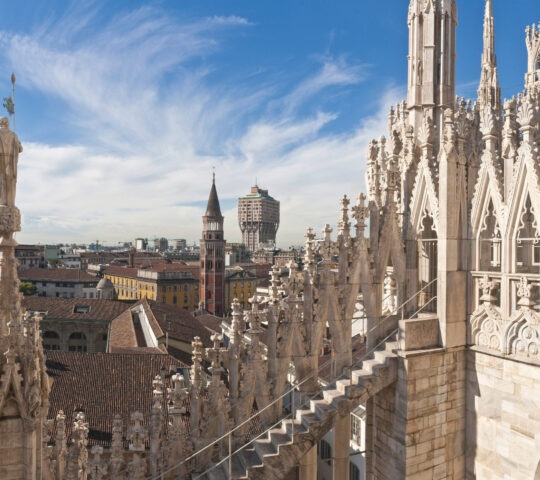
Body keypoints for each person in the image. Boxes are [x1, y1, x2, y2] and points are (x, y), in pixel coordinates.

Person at [0, 117, 23, 207]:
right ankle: (9, 202)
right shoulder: (13, 135)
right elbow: (20, 149)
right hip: (10, 160)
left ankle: (2, 202)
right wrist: (18, 143)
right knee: (9, 181)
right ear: (7, 123)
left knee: (1, 180)